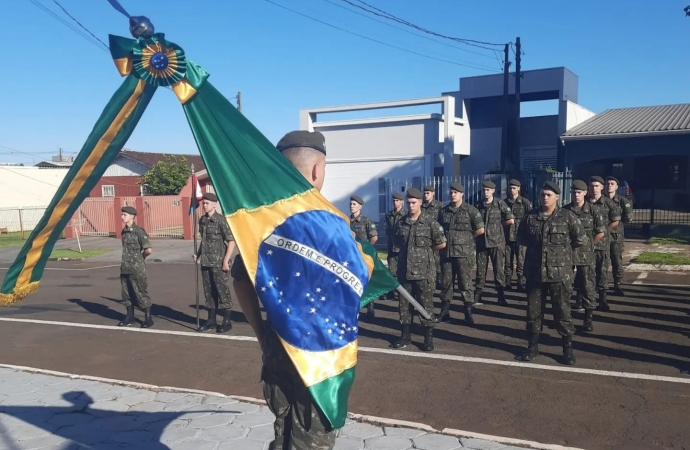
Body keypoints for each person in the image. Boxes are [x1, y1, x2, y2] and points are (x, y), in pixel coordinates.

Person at [231, 130, 336, 450]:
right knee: (310, 440)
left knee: (283, 431)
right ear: (318, 170)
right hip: (317, 360)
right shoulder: (333, 223)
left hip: (277, 346)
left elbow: (239, 278)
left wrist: (262, 334)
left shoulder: (259, 222)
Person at [515, 182, 587, 365]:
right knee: (533, 313)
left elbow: (580, 240)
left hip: (559, 275)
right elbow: (522, 239)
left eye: (548, 195)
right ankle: (532, 347)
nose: (544, 198)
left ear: (557, 197)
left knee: (562, 312)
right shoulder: (530, 217)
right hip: (535, 273)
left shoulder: (567, 217)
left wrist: (562, 255)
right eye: (542, 194)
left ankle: (567, 349)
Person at [390, 188, 446, 351]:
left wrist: (424, 253)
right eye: (408, 203)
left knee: (425, 305)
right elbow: (396, 241)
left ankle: (428, 339)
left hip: (424, 272)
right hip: (404, 271)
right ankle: (405, 336)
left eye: (414, 203)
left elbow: (441, 242)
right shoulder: (401, 222)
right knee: (404, 306)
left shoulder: (430, 222)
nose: (411, 206)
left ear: (420, 202)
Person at [437, 183, 484, 324]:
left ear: (462, 194)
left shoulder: (471, 210)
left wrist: (467, 238)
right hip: (447, 253)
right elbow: (438, 228)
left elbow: (480, 229)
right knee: (446, 283)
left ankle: (468, 312)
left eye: (456, 192)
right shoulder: (444, 211)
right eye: (451, 192)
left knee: (465, 283)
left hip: (463, 254)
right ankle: (445, 311)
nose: (453, 194)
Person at [564, 180, 605, 331]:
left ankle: (588, 319)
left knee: (588, 286)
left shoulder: (593, 210)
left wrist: (590, 245)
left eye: (579, 192)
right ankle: (565, 318)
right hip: (567, 255)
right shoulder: (565, 210)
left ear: (585, 193)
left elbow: (600, 231)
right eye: (574, 192)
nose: (576, 195)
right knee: (565, 287)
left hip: (586, 255)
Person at [193, 192, 236, 333]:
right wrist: (198, 254)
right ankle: (211, 320)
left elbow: (231, 241)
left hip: (218, 262)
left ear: (214, 204)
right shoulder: (202, 220)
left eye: (207, 203)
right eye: (203, 203)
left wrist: (226, 261)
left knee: (222, 291)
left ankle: (226, 321)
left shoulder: (221, 220)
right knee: (209, 292)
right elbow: (204, 241)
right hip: (205, 262)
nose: (204, 205)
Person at [475, 181, 514, 305]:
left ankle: (501, 296)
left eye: (488, 190)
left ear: (493, 191)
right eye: (484, 190)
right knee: (480, 271)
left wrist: (499, 226)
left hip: (497, 242)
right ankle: (478, 295)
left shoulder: (499, 204)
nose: (485, 192)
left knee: (498, 270)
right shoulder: (479, 205)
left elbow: (510, 219)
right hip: (482, 242)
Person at [117, 206, 154, 328]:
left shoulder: (139, 231)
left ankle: (148, 318)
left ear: (132, 216)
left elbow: (148, 250)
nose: (122, 217)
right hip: (125, 267)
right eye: (122, 214)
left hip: (137, 268)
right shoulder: (124, 232)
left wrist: (140, 258)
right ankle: (130, 316)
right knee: (126, 293)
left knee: (140, 292)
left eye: (125, 215)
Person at [588, 176, 621, 311]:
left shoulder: (609, 203)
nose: (594, 189)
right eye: (591, 186)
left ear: (602, 187)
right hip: (586, 245)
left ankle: (602, 299)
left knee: (602, 272)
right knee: (585, 273)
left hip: (602, 244)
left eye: (597, 186)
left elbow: (615, 220)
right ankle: (582, 299)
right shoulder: (584, 203)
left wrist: (603, 231)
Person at [349, 195, 378, 318]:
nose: (351, 206)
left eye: (354, 204)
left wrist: (367, 250)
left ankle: (370, 308)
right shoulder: (347, 221)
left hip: (364, 257)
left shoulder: (366, 221)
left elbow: (374, 237)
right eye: (350, 204)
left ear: (360, 206)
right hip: (351, 256)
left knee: (367, 281)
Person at [605, 176, 633, 296]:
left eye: (612, 184)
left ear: (616, 187)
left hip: (616, 236)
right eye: (607, 184)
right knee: (602, 262)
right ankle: (601, 286)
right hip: (603, 237)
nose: (609, 186)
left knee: (617, 261)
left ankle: (618, 284)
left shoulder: (622, 201)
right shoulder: (600, 200)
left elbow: (627, 218)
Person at [504, 179, 532, 292]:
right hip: (507, 236)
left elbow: (530, 217)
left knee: (521, 260)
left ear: (518, 189)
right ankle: (508, 281)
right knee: (507, 260)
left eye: (514, 188)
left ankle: (521, 281)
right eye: (510, 188)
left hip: (520, 236)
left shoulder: (525, 202)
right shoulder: (505, 202)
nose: (512, 190)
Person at [383, 192, 405, 299]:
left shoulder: (405, 215)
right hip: (392, 247)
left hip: (402, 248)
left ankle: (402, 293)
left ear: (402, 202)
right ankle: (392, 292)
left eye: (397, 201)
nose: (395, 203)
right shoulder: (389, 215)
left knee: (402, 271)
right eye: (394, 201)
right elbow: (388, 230)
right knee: (392, 271)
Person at [422, 185, 444, 287]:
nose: (426, 195)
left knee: (437, 258)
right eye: (425, 193)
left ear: (433, 193)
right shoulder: (421, 206)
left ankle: (439, 278)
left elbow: (442, 221)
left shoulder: (439, 206)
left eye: (428, 193)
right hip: (423, 235)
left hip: (435, 235)